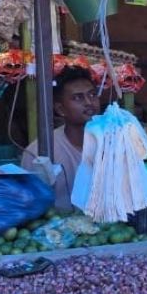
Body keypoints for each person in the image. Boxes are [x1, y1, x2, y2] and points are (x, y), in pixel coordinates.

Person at [21, 66, 100, 210]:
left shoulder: (115, 144)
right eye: (78, 97)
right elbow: (30, 206)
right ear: (60, 109)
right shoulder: (37, 152)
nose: (89, 102)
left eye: (93, 95)